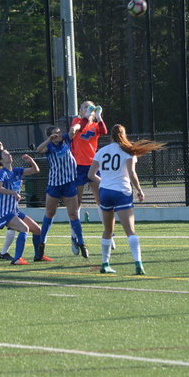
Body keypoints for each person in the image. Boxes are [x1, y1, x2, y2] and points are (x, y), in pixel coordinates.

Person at [88, 124, 165, 274]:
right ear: (124, 135)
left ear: (111, 136)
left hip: (105, 192)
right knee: (130, 231)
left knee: (108, 230)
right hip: (121, 192)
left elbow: (91, 175)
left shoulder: (102, 151)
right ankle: (138, 264)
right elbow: (132, 173)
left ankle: (105, 264)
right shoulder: (127, 151)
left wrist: (104, 182)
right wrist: (139, 190)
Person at [36, 125, 88, 259]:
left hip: (69, 183)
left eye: (59, 132)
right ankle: (42, 243)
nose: (58, 134)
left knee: (73, 214)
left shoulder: (65, 140)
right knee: (50, 213)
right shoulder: (49, 146)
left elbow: (75, 129)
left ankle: (81, 243)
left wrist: (75, 126)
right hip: (54, 184)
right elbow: (39, 150)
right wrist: (49, 139)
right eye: (55, 133)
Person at [69, 100, 108, 254]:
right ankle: (74, 236)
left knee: (101, 199)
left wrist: (99, 116)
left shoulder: (95, 124)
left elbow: (104, 131)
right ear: (81, 110)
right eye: (85, 106)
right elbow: (79, 128)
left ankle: (108, 232)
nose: (88, 108)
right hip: (78, 166)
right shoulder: (77, 121)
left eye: (90, 106)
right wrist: (86, 116)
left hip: (93, 165)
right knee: (77, 202)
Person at [0, 150, 42, 265]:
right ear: (1, 160)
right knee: (24, 228)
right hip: (4, 211)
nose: (9, 155)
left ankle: (39, 256)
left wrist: (31, 160)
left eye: (8, 153)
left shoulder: (16, 171)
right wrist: (13, 193)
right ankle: (17, 259)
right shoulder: (2, 173)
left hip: (14, 210)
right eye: (5, 154)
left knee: (37, 229)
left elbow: (35, 170)